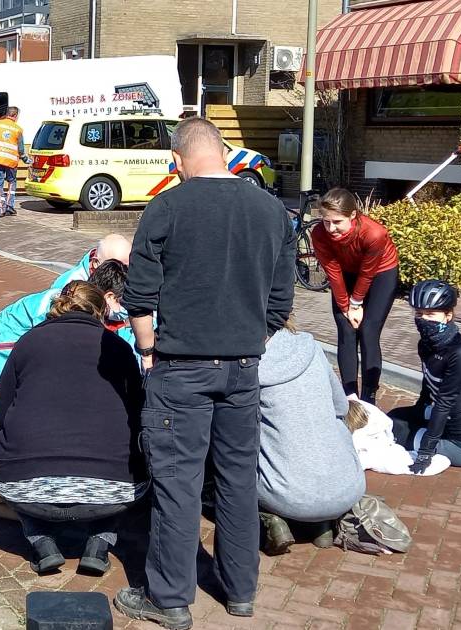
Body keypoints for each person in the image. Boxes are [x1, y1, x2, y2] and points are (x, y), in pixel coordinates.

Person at [115, 117, 295, 629]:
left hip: (181, 369)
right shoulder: (271, 209)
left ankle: (169, 599)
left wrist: (148, 354)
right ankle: (241, 590)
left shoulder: (167, 206)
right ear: (224, 154)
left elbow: (139, 296)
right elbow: (281, 301)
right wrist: (249, 342)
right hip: (243, 369)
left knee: (178, 483)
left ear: (178, 161)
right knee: (238, 480)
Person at [0, 281, 147, 576]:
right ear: (101, 312)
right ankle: (100, 541)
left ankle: (41, 540)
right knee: (132, 461)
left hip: (25, 488)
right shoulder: (120, 348)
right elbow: (138, 416)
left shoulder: (28, 342)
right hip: (112, 491)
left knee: (5, 455)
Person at [0, 260, 133, 446]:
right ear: (108, 297)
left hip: (22, 356)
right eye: (122, 301)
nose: (124, 309)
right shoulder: (59, 307)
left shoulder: (84, 301)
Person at [255, 314, 365, 556]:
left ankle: (269, 517)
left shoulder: (249, 365)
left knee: (231, 455)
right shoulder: (312, 347)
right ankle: (322, 526)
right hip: (348, 489)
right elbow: (341, 408)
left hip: (287, 496)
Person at [389, 280, 461, 472]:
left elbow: (444, 403)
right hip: (448, 419)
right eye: (419, 314)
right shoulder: (426, 344)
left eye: (431, 314)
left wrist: (425, 453)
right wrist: (418, 414)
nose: (423, 319)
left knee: (394, 430)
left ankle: (426, 442)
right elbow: (428, 386)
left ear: (448, 316)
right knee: (393, 417)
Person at [311, 187, 400, 405]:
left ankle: (369, 397)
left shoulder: (374, 233)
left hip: (381, 273)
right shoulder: (319, 234)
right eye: (326, 221)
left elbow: (368, 272)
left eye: (337, 222)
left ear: (353, 215)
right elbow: (332, 271)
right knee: (346, 329)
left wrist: (356, 303)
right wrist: (345, 307)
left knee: (369, 330)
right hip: (345, 273)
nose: (331, 228)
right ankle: (349, 395)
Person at [50, 233, 133, 289]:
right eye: (115, 268)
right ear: (95, 263)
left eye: (129, 267)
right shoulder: (71, 287)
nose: (124, 273)